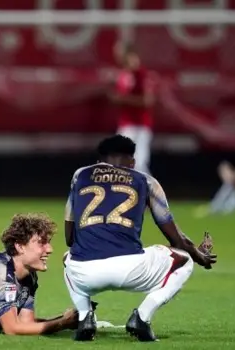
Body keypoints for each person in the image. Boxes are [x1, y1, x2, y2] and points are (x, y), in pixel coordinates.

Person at [63, 134, 216, 342]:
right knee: (184, 260)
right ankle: (142, 318)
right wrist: (200, 256)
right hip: (131, 268)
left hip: (85, 273)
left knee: (67, 257)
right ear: (133, 162)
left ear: (99, 161)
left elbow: (69, 237)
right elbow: (177, 240)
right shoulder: (145, 180)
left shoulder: (80, 175)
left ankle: (84, 317)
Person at [109, 42, 156, 175]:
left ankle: (149, 192)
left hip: (141, 125)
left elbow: (148, 101)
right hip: (126, 124)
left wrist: (123, 99)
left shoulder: (142, 75)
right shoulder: (123, 75)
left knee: (139, 163)